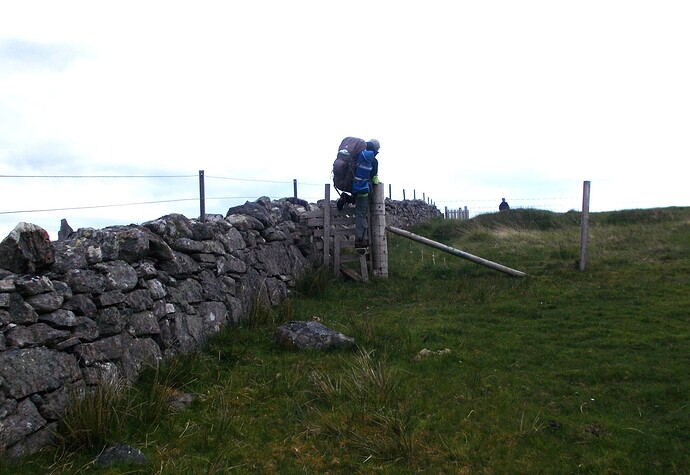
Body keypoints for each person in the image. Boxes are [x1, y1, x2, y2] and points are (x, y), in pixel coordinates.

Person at [352, 139, 380, 248]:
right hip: (363, 190)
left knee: (361, 211)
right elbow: (375, 179)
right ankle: (361, 241)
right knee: (361, 214)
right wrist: (376, 182)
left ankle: (345, 198)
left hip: (354, 187)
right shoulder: (373, 160)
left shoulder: (358, 155)